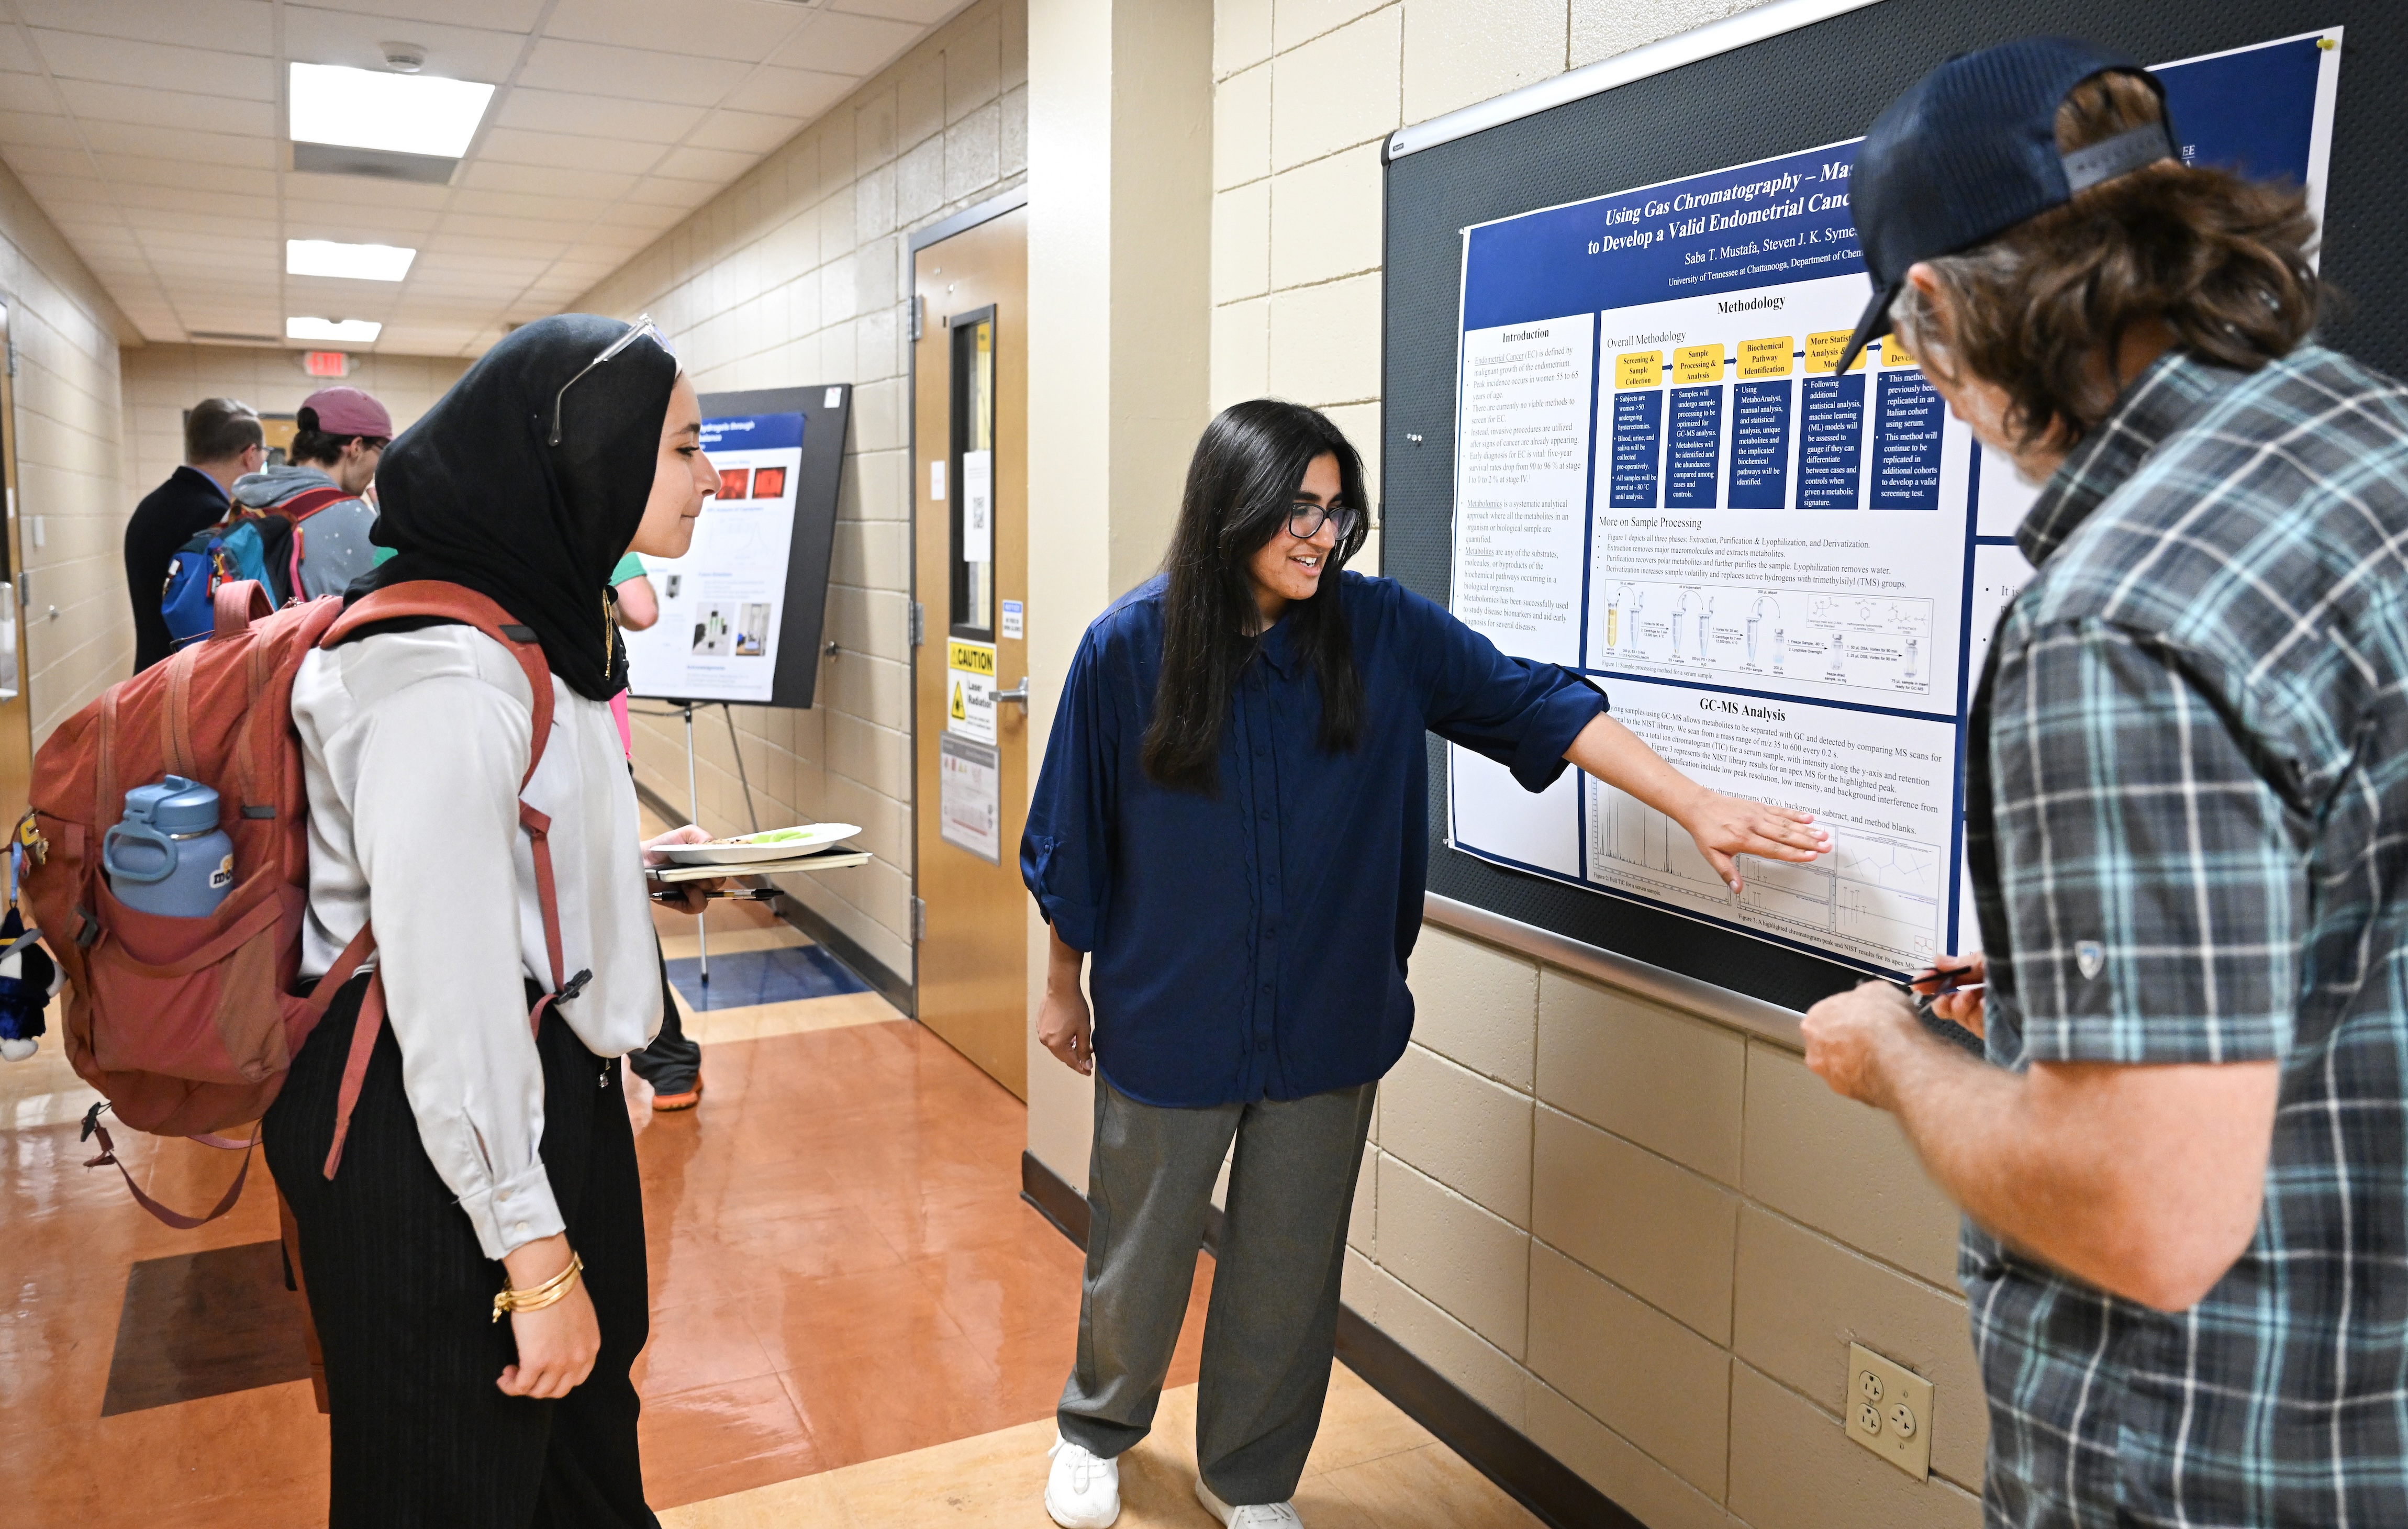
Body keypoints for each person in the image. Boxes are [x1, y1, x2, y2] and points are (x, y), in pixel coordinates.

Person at [1794, 39, 2408, 1526]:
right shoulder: (2368, 448)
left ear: (1936, 312)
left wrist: (1897, 1056)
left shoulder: (2117, 613)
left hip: (2212, 1462)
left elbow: (2143, 1212)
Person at [1024, 399, 1829, 1529]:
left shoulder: (1383, 630)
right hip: (1170, 1009)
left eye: (1334, 508)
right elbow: (1076, 833)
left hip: (1326, 1014)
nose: (1319, 532)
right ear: (1228, 509)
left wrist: (1694, 800)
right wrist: (1062, 983)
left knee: (1287, 1263)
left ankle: (1249, 1472)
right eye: (1293, 508)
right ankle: (1096, 1429)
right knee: (1139, 1241)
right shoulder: (1127, 647)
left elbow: (1532, 704)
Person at [263, 315, 720, 1527]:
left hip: (539, 1089)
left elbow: (518, 879)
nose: (709, 476)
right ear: (587, 458)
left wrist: (626, 929)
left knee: (582, 1465)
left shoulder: (533, 617)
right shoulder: (441, 669)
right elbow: (447, 991)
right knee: (449, 1480)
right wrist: (533, 1256)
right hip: (428, 1141)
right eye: (684, 447)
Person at [607, 549, 705, 1112]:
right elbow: (641, 608)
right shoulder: (584, 509)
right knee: (614, 903)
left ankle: (665, 1055)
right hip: (591, 754)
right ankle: (666, 1060)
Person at [125, 397, 261, 672]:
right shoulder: (216, 520)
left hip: (150, 671)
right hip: (186, 679)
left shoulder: (151, 504)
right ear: (250, 455)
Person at [229, 385, 393, 597]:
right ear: (357, 447)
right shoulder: (351, 515)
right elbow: (384, 602)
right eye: (383, 450)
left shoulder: (248, 498)